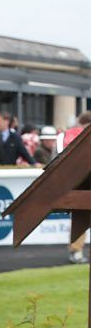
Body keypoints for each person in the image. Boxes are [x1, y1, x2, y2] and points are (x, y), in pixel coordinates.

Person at [63, 111, 91, 263]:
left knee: (80, 218)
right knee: (81, 218)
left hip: (76, 184)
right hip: (81, 185)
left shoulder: (69, 135)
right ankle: (76, 251)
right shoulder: (78, 136)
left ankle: (76, 251)